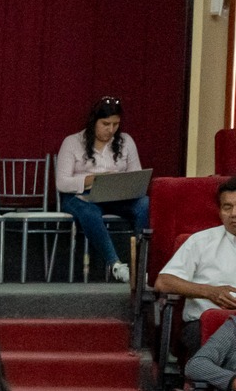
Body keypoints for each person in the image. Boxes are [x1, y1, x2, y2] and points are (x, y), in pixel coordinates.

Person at [58, 96, 149, 286]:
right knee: (89, 211)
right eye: (105, 124)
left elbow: (136, 176)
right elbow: (62, 183)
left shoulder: (125, 141)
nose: (110, 129)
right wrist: (94, 180)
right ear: (94, 122)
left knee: (144, 203)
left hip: (116, 196)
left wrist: (120, 183)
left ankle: (141, 264)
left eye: (115, 124)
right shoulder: (73, 142)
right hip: (81, 196)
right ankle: (115, 264)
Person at [153, 176, 236, 356]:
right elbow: (164, 282)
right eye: (227, 207)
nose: (234, 213)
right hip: (205, 325)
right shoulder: (201, 241)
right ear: (220, 212)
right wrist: (209, 292)